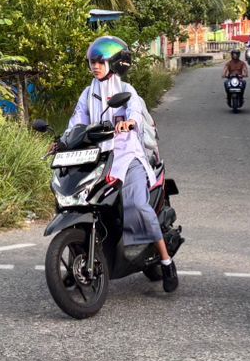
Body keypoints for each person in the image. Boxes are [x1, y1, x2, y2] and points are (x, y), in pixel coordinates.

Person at [64, 36, 180, 292]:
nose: (95, 66)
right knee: (81, 200)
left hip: (127, 158)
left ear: (115, 64)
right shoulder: (88, 93)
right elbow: (76, 121)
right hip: (99, 159)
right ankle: (81, 258)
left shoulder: (127, 90)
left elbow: (134, 111)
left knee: (137, 204)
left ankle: (166, 261)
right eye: (92, 62)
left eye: (100, 61)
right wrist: (63, 141)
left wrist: (129, 123)